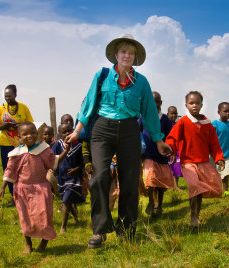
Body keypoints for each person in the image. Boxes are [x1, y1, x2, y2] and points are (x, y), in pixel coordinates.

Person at [66, 33, 172, 248]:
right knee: (99, 178)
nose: (127, 55)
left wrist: (159, 140)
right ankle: (100, 230)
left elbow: (150, 113)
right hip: (102, 129)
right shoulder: (102, 75)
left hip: (130, 130)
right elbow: (88, 104)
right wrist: (78, 130)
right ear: (116, 54)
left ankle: (126, 228)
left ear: (135, 57)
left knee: (130, 180)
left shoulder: (141, 82)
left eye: (131, 52)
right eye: (123, 51)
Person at [166, 91, 225, 227]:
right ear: (186, 105)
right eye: (191, 103)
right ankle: (193, 218)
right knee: (194, 186)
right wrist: (171, 151)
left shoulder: (207, 124)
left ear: (201, 105)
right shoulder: (182, 122)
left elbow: (214, 144)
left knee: (201, 190)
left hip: (203, 163)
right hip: (188, 163)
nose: (194, 105)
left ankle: (196, 215)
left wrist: (218, 158)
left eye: (197, 103)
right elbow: (172, 138)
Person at [0, 122, 57, 254]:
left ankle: (44, 241)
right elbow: (10, 170)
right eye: (25, 134)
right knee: (25, 217)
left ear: (37, 134)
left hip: (41, 189)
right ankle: (28, 243)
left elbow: (53, 163)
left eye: (32, 132)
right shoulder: (17, 153)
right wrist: (3, 187)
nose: (29, 136)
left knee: (44, 216)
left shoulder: (44, 150)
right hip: (22, 190)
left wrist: (66, 150)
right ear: (19, 136)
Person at [0, 84, 33, 207]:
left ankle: (25, 194)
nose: (7, 99)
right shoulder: (2, 109)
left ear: (15, 95)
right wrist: (5, 126)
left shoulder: (23, 107)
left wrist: (20, 126)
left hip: (21, 143)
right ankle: (13, 196)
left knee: (23, 169)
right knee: (8, 169)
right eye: (6, 97)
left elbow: (30, 123)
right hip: (6, 143)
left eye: (10, 96)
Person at [139, 92, 175, 217]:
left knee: (160, 184)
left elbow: (171, 136)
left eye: (157, 101)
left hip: (162, 156)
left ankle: (159, 205)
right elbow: (137, 131)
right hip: (148, 154)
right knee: (150, 179)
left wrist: (171, 152)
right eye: (152, 101)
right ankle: (151, 201)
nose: (154, 104)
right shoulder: (143, 117)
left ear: (161, 103)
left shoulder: (165, 119)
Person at [52, 123, 86, 233]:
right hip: (61, 177)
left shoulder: (79, 145)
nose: (67, 133)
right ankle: (75, 216)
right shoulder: (58, 145)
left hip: (74, 178)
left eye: (69, 131)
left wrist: (77, 169)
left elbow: (83, 161)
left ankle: (63, 226)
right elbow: (52, 159)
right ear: (59, 134)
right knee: (66, 199)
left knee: (66, 200)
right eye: (64, 132)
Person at [212, 102, 229, 197]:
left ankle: (225, 191)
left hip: (226, 154)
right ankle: (214, 190)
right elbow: (209, 138)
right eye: (225, 111)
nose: (228, 113)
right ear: (219, 112)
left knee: (226, 173)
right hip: (214, 155)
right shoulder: (215, 124)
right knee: (214, 173)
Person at [166, 105, 183, 188]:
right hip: (168, 149)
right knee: (169, 167)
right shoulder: (165, 124)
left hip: (177, 149)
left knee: (176, 167)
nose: (173, 115)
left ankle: (176, 185)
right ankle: (169, 185)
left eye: (175, 113)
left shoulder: (178, 125)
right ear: (167, 114)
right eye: (171, 113)